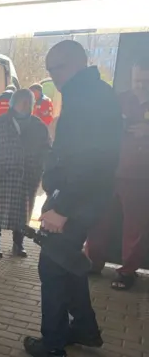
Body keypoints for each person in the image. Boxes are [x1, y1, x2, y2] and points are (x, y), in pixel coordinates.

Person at [23, 40, 122, 357]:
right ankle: (84, 329)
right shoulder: (93, 94)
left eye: (60, 67)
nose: (55, 75)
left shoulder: (86, 98)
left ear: (80, 62)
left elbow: (88, 160)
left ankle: (52, 345)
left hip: (74, 201)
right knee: (66, 262)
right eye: (50, 70)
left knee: (51, 268)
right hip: (83, 198)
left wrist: (62, 207)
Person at [85, 57, 149, 291]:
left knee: (135, 226)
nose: (140, 85)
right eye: (136, 80)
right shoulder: (120, 100)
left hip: (141, 178)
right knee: (98, 219)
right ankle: (92, 262)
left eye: (145, 80)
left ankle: (128, 271)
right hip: (109, 170)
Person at [0, 89, 50, 258]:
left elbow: (46, 151)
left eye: (29, 102)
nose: (26, 106)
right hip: (3, 175)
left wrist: (38, 170)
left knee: (23, 212)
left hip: (28, 177)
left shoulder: (39, 126)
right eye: (22, 102)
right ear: (13, 103)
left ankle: (18, 245)